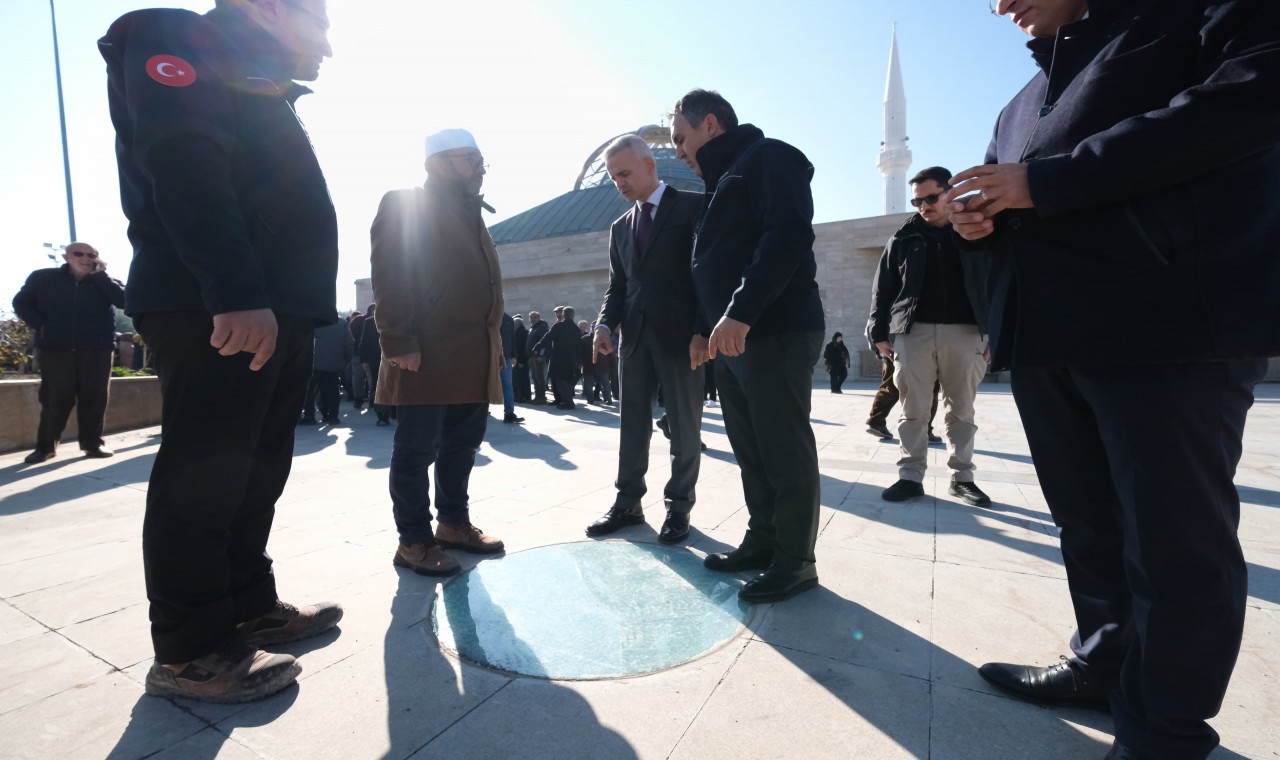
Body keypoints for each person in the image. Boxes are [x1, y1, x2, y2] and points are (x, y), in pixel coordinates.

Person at [947, 3, 1280, 759]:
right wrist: (983, 220)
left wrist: (1049, 182)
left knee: (1174, 544)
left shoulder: (1189, 18)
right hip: (1052, 338)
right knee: (1089, 523)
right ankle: (1104, 661)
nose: (1000, 5)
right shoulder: (1018, 105)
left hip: (1168, 328)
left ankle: (1164, 730)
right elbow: (1021, 196)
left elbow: (1253, 97)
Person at [99, 0, 343, 704]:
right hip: (218, 303)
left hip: (276, 305)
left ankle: (245, 604)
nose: (327, 44)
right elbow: (183, 159)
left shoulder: (256, 77)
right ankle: (189, 650)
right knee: (204, 475)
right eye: (319, 22)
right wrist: (234, 288)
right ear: (269, 8)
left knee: (255, 470)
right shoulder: (179, 34)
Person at [670, 89, 825, 604]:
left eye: (680, 138)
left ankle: (796, 560)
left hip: (772, 330)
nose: (677, 151)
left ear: (709, 124)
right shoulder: (719, 184)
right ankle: (763, 542)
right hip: (732, 339)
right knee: (751, 449)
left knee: (783, 448)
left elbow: (785, 236)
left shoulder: (766, 157)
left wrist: (741, 310)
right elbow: (706, 267)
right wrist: (701, 327)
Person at [370, 128, 506, 578]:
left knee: (462, 446)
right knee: (416, 451)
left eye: (480, 157)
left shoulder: (471, 211)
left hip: (470, 353)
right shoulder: (405, 202)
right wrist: (399, 341)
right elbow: (390, 273)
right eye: (470, 157)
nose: (479, 166)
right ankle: (413, 541)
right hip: (425, 351)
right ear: (437, 162)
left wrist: (493, 348)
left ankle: (452, 524)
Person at [587, 134, 705, 544]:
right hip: (633, 341)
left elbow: (705, 276)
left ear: (649, 165)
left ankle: (679, 507)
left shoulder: (692, 207)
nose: (618, 182)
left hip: (682, 340)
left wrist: (702, 330)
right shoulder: (620, 227)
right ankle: (628, 503)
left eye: (624, 173)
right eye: (612, 177)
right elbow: (617, 287)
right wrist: (604, 324)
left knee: (685, 428)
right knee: (631, 427)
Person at [867, 166, 991, 507]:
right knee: (913, 411)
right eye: (917, 200)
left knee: (961, 411)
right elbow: (884, 289)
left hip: (966, 332)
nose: (923, 205)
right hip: (913, 333)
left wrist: (997, 332)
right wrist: (878, 333)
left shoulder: (977, 230)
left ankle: (962, 478)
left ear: (950, 193)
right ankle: (910, 477)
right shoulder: (903, 238)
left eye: (931, 198)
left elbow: (995, 282)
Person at [13, 242, 125, 464]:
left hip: (97, 349)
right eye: (79, 254)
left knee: (95, 398)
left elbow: (125, 301)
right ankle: (45, 447)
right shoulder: (42, 278)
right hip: (55, 349)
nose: (85, 258)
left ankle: (93, 444)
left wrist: (101, 277)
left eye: (91, 254)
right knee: (56, 398)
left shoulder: (106, 281)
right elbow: (21, 302)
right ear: (66, 257)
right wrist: (40, 324)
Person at [863, 354, 941, 444]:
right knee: (929, 391)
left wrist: (878, 347)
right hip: (920, 353)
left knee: (889, 388)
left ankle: (876, 422)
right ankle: (924, 431)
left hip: (891, 352)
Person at [299, 319, 351, 425]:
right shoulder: (341, 323)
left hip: (312, 362)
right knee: (332, 390)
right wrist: (346, 359)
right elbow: (349, 342)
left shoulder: (310, 320)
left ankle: (309, 415)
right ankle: (333, 416)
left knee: (309, 391)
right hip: (334, 362)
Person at [534, 305, 581, 409]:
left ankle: (568, 402)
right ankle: (559, 399)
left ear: (564, 315)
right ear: (573, 315)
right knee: (561, 379)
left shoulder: (559, 326)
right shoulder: (576, 329)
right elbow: (579, 346)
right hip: (571, 358)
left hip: (559, 357)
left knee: (560, 379)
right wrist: (579, 360)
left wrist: (538, 346)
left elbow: (548, 336)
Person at [359, 305, 392, 426]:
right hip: (377, 359)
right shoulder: (369, 322)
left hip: (390, 358)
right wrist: (364, 360)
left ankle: (386, 413)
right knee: (381, 386)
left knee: (383, 386)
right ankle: (383, 414)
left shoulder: (370, 321)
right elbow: (365, 342)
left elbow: (364, 342)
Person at [498, 312, 523, 424]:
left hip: (506, 356)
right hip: (489, 357)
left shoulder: (508, 319)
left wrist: (514, 355)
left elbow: (513, 338)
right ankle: (482, 412)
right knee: (486, 385)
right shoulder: (486, 314)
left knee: (507, 385)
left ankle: (509, 413)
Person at [526, 310, 550, 404]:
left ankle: (541, 397)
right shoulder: (533, 328)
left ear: (539, 318)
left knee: (539, 377)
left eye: (534, 317)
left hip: (538, 357)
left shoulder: (542, 327)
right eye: (531, 317)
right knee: (535, 377)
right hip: (532, 357)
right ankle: (537, 396)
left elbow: (545, 342)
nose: (532, 319)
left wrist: (541, 354)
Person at [512, 314, 531, 403]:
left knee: (523, 379)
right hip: (517, 360)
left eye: (514, 325)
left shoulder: (524, 333)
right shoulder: (516, 333)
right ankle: (519, 396)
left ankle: (525, 396)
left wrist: (522, 361)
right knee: (517, 379)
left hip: (522, 360)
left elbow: (523, 348)